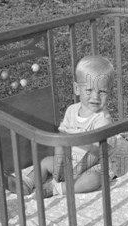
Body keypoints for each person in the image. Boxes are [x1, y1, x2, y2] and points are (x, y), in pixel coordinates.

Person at [7, 55, 117, 197]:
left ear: (109, 92)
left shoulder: (103, 120)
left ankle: (58, 189)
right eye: (89, 90)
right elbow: (61, 138)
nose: (95, 97)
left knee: (93, 179)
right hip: (71, 160)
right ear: (77, 89)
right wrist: (59, 164)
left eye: (102, 92)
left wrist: (76, 172)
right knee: (46, 162)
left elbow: (95, 153)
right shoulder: (71, 111)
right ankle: (27, 184)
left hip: (96, 164)